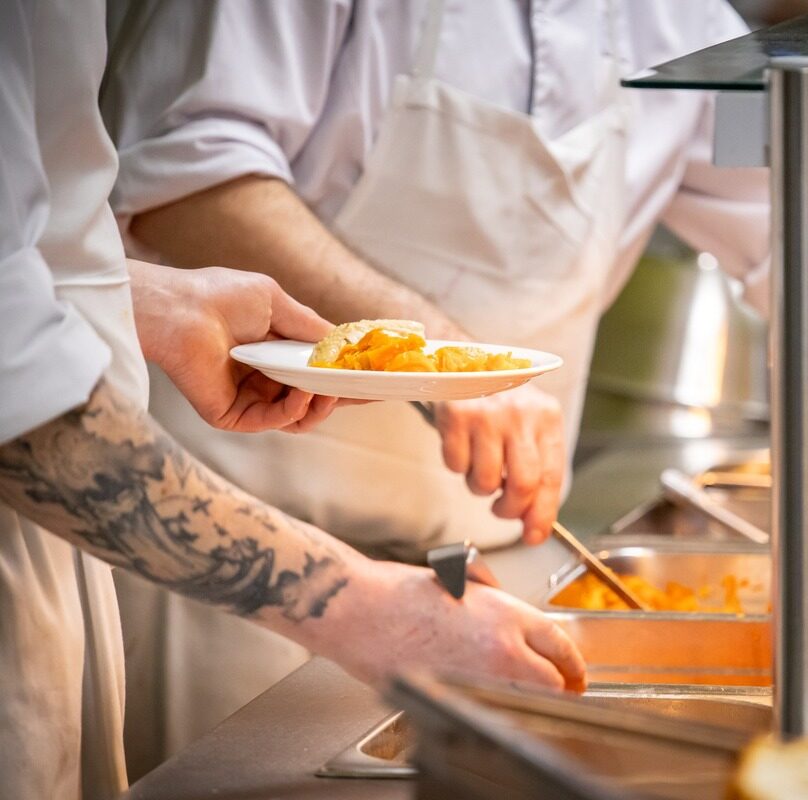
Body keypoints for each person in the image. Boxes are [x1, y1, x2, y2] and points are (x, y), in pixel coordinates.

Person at [102, 0, 808, 761]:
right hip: (239, 574)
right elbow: (189, 183)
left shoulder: (660, 16)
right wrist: (441, 354)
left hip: (489, 573)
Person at [0, 2, 585, 797]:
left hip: (70, 567)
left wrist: (139, 298)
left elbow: (27, 253)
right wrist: (363, 606)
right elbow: (21, 404)